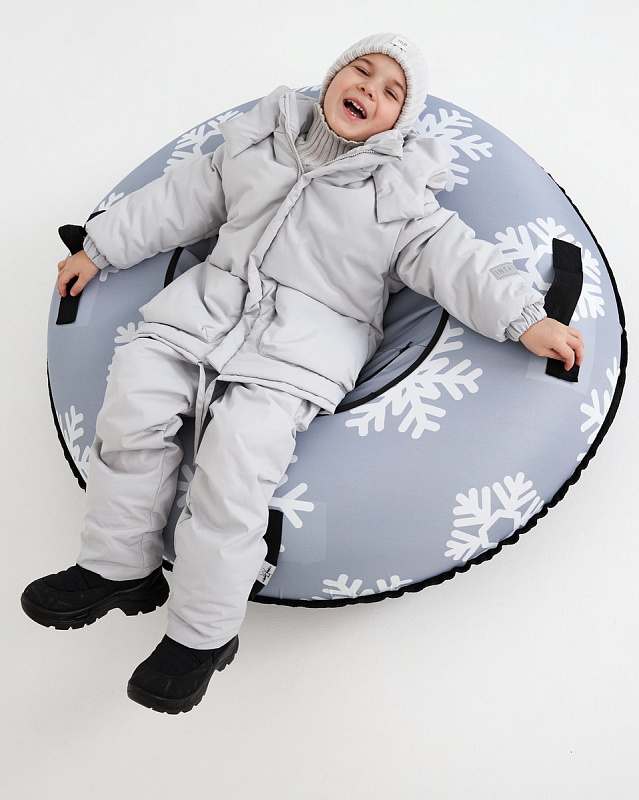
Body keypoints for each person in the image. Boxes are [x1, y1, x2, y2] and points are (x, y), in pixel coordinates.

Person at [21, 33, 584, 714]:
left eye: (390, 92)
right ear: (331, 78)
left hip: (299, 352)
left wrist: (527, 319)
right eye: (361, 71)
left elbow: (459, 262)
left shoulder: (397, 198)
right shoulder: (258, 145)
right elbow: (175, 201)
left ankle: (201, 634)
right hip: (201, 313)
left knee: (234, 467)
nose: (369, 89)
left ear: (397, 123)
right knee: (132, 405)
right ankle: (117, 567)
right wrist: (99, 247)